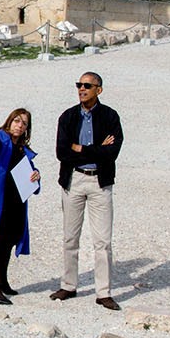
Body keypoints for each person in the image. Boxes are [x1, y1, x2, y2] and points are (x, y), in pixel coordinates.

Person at [51, 71, 124, 309]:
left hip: (99, 182)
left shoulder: (110, 116)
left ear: (98, 90)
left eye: (87, 85)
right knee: (70, 237)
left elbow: (112, 152)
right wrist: (95, 150)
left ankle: (103, 292)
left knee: (103, 241)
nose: (82, 89)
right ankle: (68, 285)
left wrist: (81, 148)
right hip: (74, 180)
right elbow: (62, 152)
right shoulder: (68, 117)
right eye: (79, 85)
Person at [0, 107, 40, 305]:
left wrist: (36, 176)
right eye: (17, 121)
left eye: (24, 123)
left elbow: (29, 172)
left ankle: (2, 281)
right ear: (10, 121)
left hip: (16, 200)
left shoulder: (22, 148)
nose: (20, 125)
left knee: (9, 241)